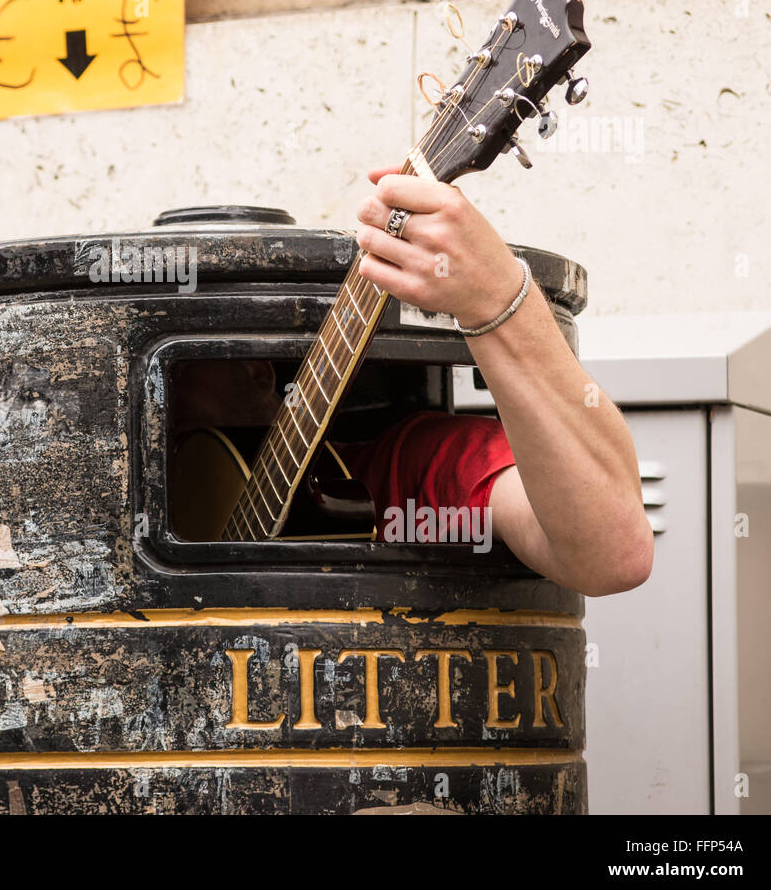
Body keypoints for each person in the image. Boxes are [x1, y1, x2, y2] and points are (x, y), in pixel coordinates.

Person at [173, 165, 654, 599]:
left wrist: (498, 299)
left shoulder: (413, 470)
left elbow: (612, 556)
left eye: (182, 377)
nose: (169, 412)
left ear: (260, 374)